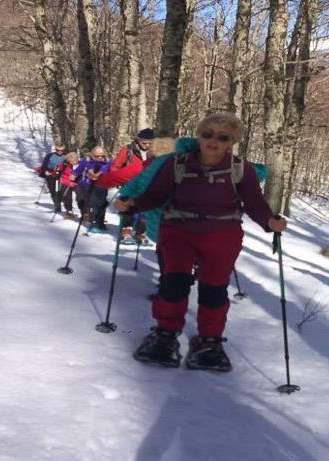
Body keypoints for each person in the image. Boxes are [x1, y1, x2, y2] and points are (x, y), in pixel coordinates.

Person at [114, 113, 286, 372]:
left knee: (214, 289)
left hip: (222, 235)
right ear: (199, 136)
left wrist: (269, 222)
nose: (213, 141)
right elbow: (156, 195)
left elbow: (254, 203)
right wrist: (132, 204)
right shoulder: (176, 163)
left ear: (232, 141)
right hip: (178, 232)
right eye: (207, 134)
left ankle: (210, 341)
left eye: (222, 137)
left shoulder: (241, 169)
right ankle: (165, 335)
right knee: (173, 284)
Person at [97, 128, 155, 242]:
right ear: (138, 140)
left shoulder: (154, 152)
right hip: (128, 183)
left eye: (150, 143)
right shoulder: (128, 150)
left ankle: (141, 232)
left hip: (146, 184)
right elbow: (116, 165)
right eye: (144, 142)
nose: (147, 145)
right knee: (127, 207)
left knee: (144, 209)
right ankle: (126, 230)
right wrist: (116, 177)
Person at [73, 148, 111, 227]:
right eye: (97, 156)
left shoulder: (108, 162)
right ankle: (88, 215)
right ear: (92, 155)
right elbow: (79, 169)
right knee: (87, 201)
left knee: (101, 203)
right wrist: (74, 175)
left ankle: (99, 222)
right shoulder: (87, 160)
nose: (100, 158)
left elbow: (112, 171)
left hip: (102, 185)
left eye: (102, 156)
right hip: (86, 184)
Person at [37, 143, 67, 209]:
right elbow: (44, 165)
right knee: (52, 189)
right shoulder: (50, 155)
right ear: (55, 150)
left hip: (61, 174)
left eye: (62, 150)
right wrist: (45, 171)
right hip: (50, 173)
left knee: (61, 190)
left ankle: (60, 201)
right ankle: (57, 204)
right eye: (58, 150)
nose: (60, 152)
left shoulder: (65, 157)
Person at [57, 152, 80, 219]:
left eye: (74, 160)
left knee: (80, 197)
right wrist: (57, 170)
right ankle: (69, 210)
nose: (73, 162)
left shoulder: (81, 164)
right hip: (66, 181)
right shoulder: (65, 164)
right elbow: (58, 169)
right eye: (71, 161)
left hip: (77, 183)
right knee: (67, 197)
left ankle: (85, 212)